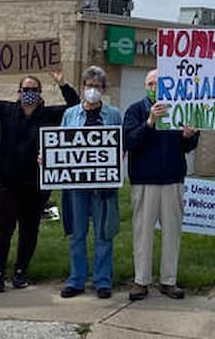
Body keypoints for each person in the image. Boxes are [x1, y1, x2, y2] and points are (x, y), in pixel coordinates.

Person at [0, 64, 79, 293]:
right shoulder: (5, 111)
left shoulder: (50, 115)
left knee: (29, 230)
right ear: (18, 92)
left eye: (34, 89)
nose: (29, 92)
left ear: (40, 94)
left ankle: (21, 272)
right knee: (2, 229)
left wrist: (61, 82)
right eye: (25, 89)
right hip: (6, 183)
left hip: (36, 184)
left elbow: (75, 107)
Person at [123, 69, 200, 301]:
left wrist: (189, 136)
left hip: (172, 179)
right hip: (144, 180)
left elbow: (189, 146)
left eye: (158, 82)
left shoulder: (179, 109)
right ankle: (141, 281)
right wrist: (150, 122)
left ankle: (169, 280)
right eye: (150, 82)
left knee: (172, 232)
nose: (154, 86)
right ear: (144, 85)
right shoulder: (135, 110)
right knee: (142, 233)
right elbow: (129, 141)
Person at [59, 66, 121, 299]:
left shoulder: (114, 115)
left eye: (97, 86)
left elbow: (120, 147)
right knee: (77, 233)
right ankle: (76, 280)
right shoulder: (70, 114)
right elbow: (60, 144)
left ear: (103, 89)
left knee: (104, 234)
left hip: (103, 186)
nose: (92, 90)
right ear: (82, 87)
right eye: (89, 85)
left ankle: (102, 281)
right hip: (76, 185)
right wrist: (49, 157)